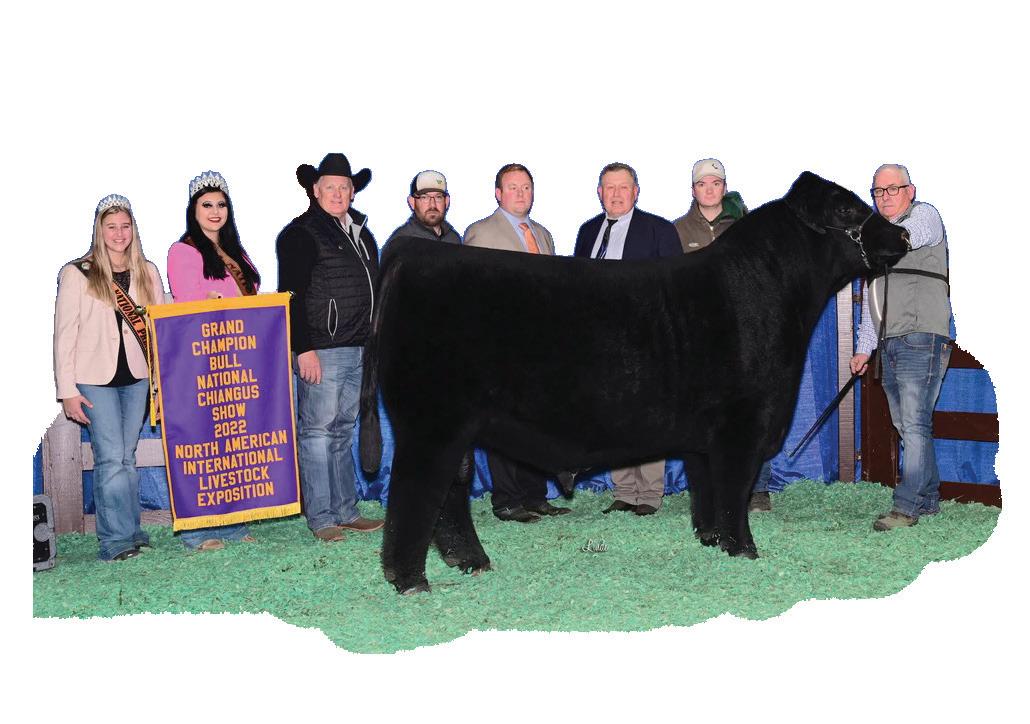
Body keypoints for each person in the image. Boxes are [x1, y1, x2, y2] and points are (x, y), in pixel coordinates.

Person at [276, 153, 384, 542]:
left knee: (341, 430)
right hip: (323, 348)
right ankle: (322, 517)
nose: (338, 194)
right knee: (317, 432)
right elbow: (291, 294)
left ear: (353, 192)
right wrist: (302, 347)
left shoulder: (362, 234)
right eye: (330, 187)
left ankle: (346, 510)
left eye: (344, 187)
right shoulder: (300, 233)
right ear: (315, 190)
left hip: (360, 347)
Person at [54, 194, 165, 561]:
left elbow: (161, 326)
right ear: (99, 231)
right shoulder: (77, 273)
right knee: (111, 457)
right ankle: (115, 541)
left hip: (137, 377)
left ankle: (131, 531)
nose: (119, 234)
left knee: (127, 457)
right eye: (111, 227)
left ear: (133, 229)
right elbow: (65, 334)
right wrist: (67, 390)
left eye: (125, 226)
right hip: (93, 379)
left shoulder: (148, 271)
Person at [463, 163, 570, 522]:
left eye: (526, 187)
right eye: (513, 187)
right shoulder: (480, 232)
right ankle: (507, 500)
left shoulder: (543, 234)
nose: (521, 193)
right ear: (498, 193)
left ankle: (534, 495)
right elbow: (472, 293)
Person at [573, 162, 681, 515]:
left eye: (623, 187)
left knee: (648, 417)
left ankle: (649, 495)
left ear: (636, 192)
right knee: (615, 417)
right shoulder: (587, 231)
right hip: (601, 344)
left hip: (647, 342)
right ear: (599, 192)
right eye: (609, 187)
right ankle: (624, 491)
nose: (616, 194)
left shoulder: (659, 230)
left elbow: (676, 288)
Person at [851, 163, 953, 531]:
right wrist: (864, 349)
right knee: (909, 424)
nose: (885, 197)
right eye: (878, 191)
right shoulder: (876, 241)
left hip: (921, 336)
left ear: (910, 191)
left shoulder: (925, 216)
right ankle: (927, 499)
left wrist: (876, 238)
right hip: (890, 342)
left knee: (913, 423)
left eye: (893, 189)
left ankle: (906, 507)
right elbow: (873, 303)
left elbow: (913, 234)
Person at [167, 170, 261, 551]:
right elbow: (187, 303)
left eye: (221, 204)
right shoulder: (183, 251)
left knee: (234, 442)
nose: (215, 211)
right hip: (201, 360)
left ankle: (233, 524)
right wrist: (212, 302)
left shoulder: (238, 253)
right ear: (194, 210)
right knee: (202, 445)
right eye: (206, 204)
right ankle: (196, 530)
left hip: (236, 358)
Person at [672, 159, 773, 511]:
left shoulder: (748, 227)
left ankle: (757, 488)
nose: (710, 189)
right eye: (703, 184)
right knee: (701, 414)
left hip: (743, 334)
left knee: (751, 411)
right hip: (697, 337)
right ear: (693, 190)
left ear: (724, 188)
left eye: (716, 183)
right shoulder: (677, 230)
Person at [385, 170, 461, 245]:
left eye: (438, 197)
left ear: (446, 201)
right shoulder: (401, 242)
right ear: (412, 202)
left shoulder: (453, 239)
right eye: (424, 197)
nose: (432, 205)